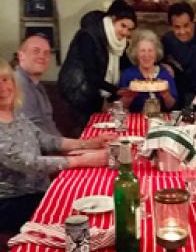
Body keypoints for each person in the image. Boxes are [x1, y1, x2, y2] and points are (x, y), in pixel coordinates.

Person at [0, 58, 114, 234]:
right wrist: (81, 160)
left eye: (5, 79)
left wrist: (90, 143)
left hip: (40, 189)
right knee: (81, 219)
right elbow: (28, 163)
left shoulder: (15, 114)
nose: (3, 87)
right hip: (14, 203)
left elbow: (45, 139)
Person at [58, 0, 137, 128]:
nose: (125, 32)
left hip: (96, 95)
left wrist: (150, 69)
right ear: (112, 18)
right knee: (86, 133)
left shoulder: (118, 43)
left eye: (129, 29)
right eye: (123, 26)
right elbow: (91, 75)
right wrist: (117, 91)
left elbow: (125, 64)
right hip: (78, 92)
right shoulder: (88, 36)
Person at [118, 29, 177, 112]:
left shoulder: (165, 73)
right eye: (142, 50)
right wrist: (129, 96)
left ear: (156, 53)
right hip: (136, 121)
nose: (147, 55)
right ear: (136, 54)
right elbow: (121, 106)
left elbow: (171, 106)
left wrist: (166, 94)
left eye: (150, 50)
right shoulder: (128, 75)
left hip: (161, 122)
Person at [15, 34, 60, 135]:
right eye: (36, 51)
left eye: (46, 53)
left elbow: (48, 127)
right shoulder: (19, 85)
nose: (42, 56)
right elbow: (35, 136)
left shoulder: (37, 86)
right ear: (21, 56)